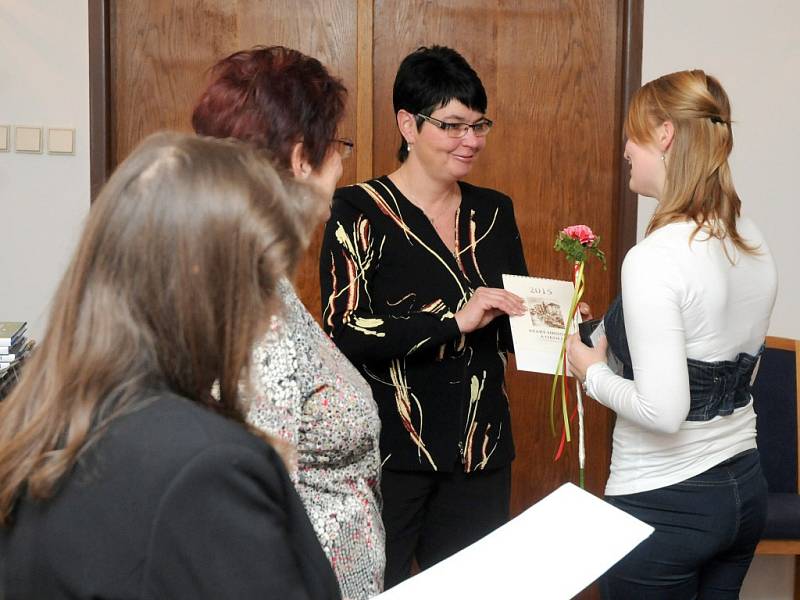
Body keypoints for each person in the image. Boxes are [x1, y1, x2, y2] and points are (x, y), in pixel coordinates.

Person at [0, 132, 341, 599]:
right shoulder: (208, 468)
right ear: (210, 286)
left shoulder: (37, 418)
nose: (271, 312)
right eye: (263, 282)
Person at [320, 45, 529, 588]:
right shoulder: (357, 209)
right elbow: (345, 327)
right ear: (408, 124)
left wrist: (560, 324)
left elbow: (511, 325)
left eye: (478, 125)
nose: (472, 141)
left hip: (480, 451)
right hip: (391, 455)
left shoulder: (494, 209)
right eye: (453, 125)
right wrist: (453, 322)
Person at [566, 70, 778, 599]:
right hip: (744, 489)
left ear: (664, 134)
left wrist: (590, 373)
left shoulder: (655, 258)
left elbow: (666, 411)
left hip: (665, 504)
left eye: (632, 135)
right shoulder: (747, 233)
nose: (625, 150)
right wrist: (612, 337)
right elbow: (727, 359)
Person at [191, 46, 384, 599]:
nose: (343, 164)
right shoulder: (255, 305)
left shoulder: (255, 273)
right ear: (302, 159)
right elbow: (250, 517)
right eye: (339, 147)